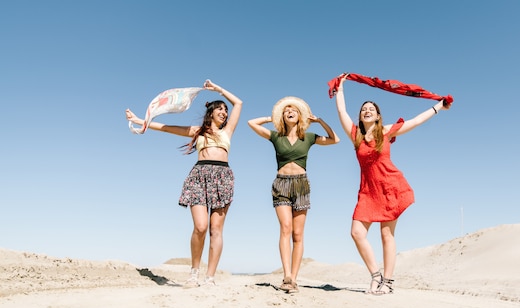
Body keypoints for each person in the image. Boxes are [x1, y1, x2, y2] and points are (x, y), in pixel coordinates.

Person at [334, 75, 451, 295]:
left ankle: (387, 282)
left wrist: (437, 107)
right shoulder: (355, 135)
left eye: (371, 108)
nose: (367, 110)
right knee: (357, 233)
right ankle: (375, 276)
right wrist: (340, 87)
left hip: (389, 187)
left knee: (386, 235)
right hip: (368, 191)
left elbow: (414, 122)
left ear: (378, 116)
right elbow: (341, 112)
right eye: (363, 109)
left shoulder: (386, 131)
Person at [125, 80, 242, 287]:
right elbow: (167, 128)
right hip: (199, 176)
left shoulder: (228, 131)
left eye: (225, 110)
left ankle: (210, 277)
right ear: (211, 113)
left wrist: (218, 90)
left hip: (222, 178)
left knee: (216, 229)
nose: (224, 112)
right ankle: (194, 272)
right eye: (220, 109)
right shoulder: (197, 131)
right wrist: (141, 120)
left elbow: (239, 103)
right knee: (200, 226)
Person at [248, 97, 340, 293]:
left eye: (294, 110)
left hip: (301, 185)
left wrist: (320, 121)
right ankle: (287, 276)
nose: (290, 112)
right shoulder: (275, 136)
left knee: (298, 234)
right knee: (285, 228)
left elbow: (335, 140)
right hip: (281, 184)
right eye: (286, 110)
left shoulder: (308, 137)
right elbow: (251, 123)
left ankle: (294, 278)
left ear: (300, 116)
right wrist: (271, 117)